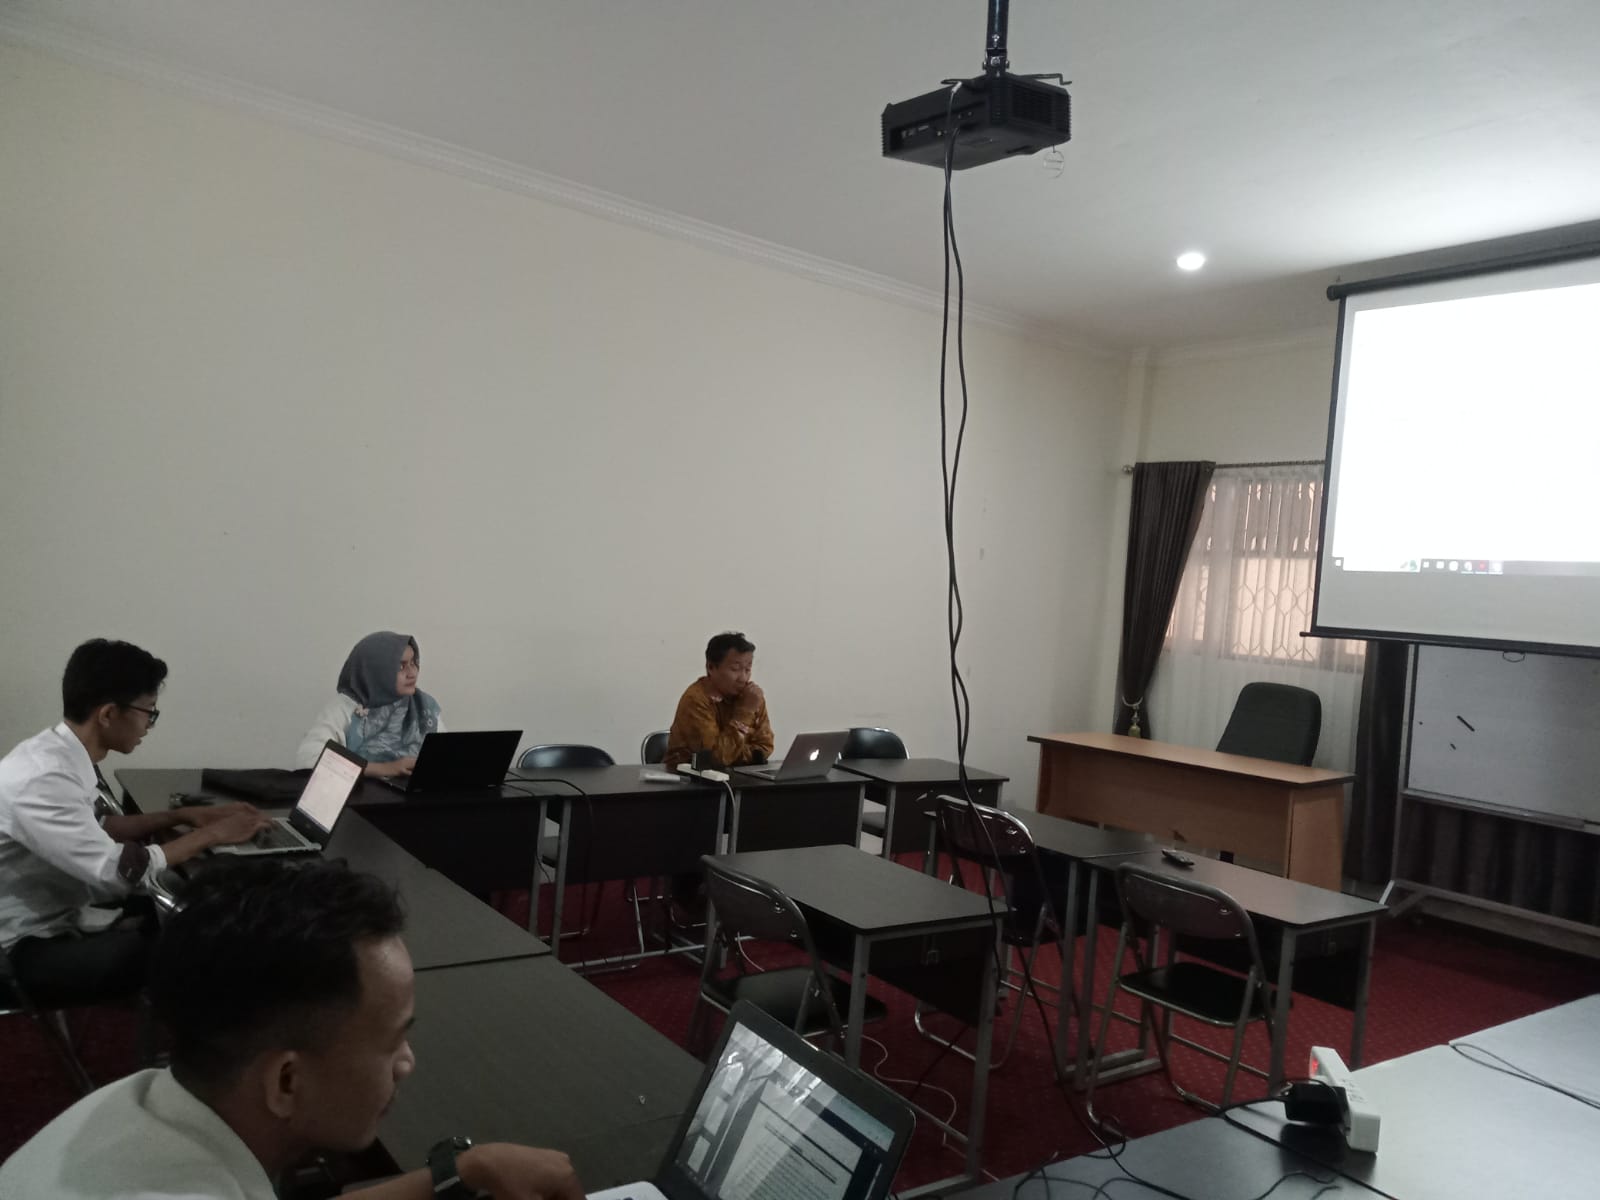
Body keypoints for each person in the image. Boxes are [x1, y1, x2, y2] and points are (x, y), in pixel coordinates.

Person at [0, 858, 583, 1199]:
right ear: (286, 1081)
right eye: (393, 1042)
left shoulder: (141, 1099)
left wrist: (462, 1172)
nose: (408, 1063)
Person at [0, 639, 269, 1008]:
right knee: (208, 944)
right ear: (109, 714)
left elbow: (100, 826)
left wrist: (182, 816)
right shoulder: (42, 779)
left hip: (57, 909)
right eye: (148, 713)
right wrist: (212, 834)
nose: (149, 725)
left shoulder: (56, 755)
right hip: (20, 946)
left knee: (201, 910)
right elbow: (119, 873)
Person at [296, 632, 444, 778]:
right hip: (361, 791)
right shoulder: (346, 707)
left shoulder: (422, 705)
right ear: (376, 670)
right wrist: (385, 769)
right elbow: (308, 758)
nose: (412, 673)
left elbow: (444, 754)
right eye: (400, 666)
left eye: (413, 663)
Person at [663, 631, 775, 771]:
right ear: (711, 667)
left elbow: (765, 746)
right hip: (690, 778)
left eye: (748, 669)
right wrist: (745, 712)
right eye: (735, 669)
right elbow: (715, 758)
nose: (743, 678)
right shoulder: (695, 699)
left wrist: (734, 755)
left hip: (740, 775)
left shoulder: (752, 696)